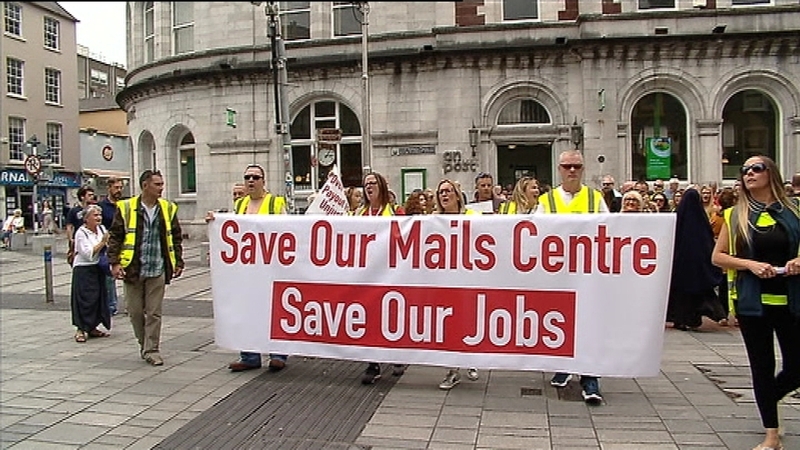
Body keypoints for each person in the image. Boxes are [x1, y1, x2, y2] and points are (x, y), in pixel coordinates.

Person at [712, 156, 800, 450]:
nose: (749, 174)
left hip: (791, 300)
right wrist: (749, 264)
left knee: (796, 366)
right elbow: (718, 256)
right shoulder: (735, 214)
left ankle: (768, 397)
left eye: (756, 169)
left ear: (770, 173)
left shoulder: (794, 211)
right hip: (753, 302)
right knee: (761, 366)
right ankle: (771, 435)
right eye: (745, 170)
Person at [537, 149, 608, 405]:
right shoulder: (547, 201)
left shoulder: (595, 198)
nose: (572, 171)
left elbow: (609, 233)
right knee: (560, 325)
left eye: (576, 166)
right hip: (558, 276)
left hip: (587, 276)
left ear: (583, 169)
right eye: (567, 166)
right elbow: (535, 236)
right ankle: (564, 366)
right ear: (559, 169)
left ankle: (590, 379)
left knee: (588, 326)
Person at [208, 164, 290, 373]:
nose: (251, 181)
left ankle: (278, 354)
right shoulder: (241, 204)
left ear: (264, 181)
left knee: (273, 311)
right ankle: (249, 356)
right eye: (247, 177)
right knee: (247, 311)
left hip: (270, 268)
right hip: (246, 270)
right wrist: (215, 221)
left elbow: (288, 231)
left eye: (255, 177)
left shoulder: (275, 202)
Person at [107, 170, 184, 366]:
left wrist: (178, 261)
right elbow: (115, 236)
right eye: (157, 184)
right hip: (133, 268)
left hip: (157, 268)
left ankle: (152, 349)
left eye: (162, 184)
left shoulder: (167, 208)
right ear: (145, 186)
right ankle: (144, 343)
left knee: (154, 312)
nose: (161, 188)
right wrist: (114, 262)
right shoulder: (126, 207)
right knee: (134, 311)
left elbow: (175, 237)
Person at [353, 172, 406, 384]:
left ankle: (396, 355)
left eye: (373, 183)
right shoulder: (359, 214)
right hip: (368, 276)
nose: (369, 187)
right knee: (370, 317)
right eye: (366, 184)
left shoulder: (395, 212)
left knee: (390, 317)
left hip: (391, 275)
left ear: (382, 186)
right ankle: (372, 364)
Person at [435, 178, 481, 390]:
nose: (445, 195)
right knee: (448, 325)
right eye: (441, 192)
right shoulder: (433, 220)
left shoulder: (472, 216)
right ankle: (452, 370)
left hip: (467, 278)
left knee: (467, 323)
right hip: (444, 281)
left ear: (457, 195)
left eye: (448, 191)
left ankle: (470, 360)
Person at [666, 189, 726, 331]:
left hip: (680, 265)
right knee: (696, 295)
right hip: (697, 266)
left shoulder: (678, 218)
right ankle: (695, 317)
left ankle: (680, 320)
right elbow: (707, 243)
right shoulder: (701, 220)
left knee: (681, 296)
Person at [71, 204, 112, 343]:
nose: (98, 218)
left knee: (97, 299)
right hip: (83, 269)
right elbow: (88, 253)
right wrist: (103, 242)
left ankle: (93, 326)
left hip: (97, 268)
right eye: (95, 215)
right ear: (86, 218)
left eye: (99, 215)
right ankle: (80, 329)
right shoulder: (81, 233)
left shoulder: (101, 229)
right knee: (84, 300)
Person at [99, 178, 125, 316]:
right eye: (116, 187)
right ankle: (111, 305)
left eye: (121, 187)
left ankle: (130, 305)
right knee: (110, 276)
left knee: (128, 274)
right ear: (109, 188)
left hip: (126, 245)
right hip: (109, 245)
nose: (119, 190)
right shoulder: (102, 206)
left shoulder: (125, 204)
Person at [66, 186, 97, 264]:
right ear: (82, 197)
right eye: (89, 195)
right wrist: (70, 239)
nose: (92, 197)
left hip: (92, 238)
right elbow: (69, 226)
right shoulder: (74, 211)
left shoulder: (94, 210)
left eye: (92, 195)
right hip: (79, 239)